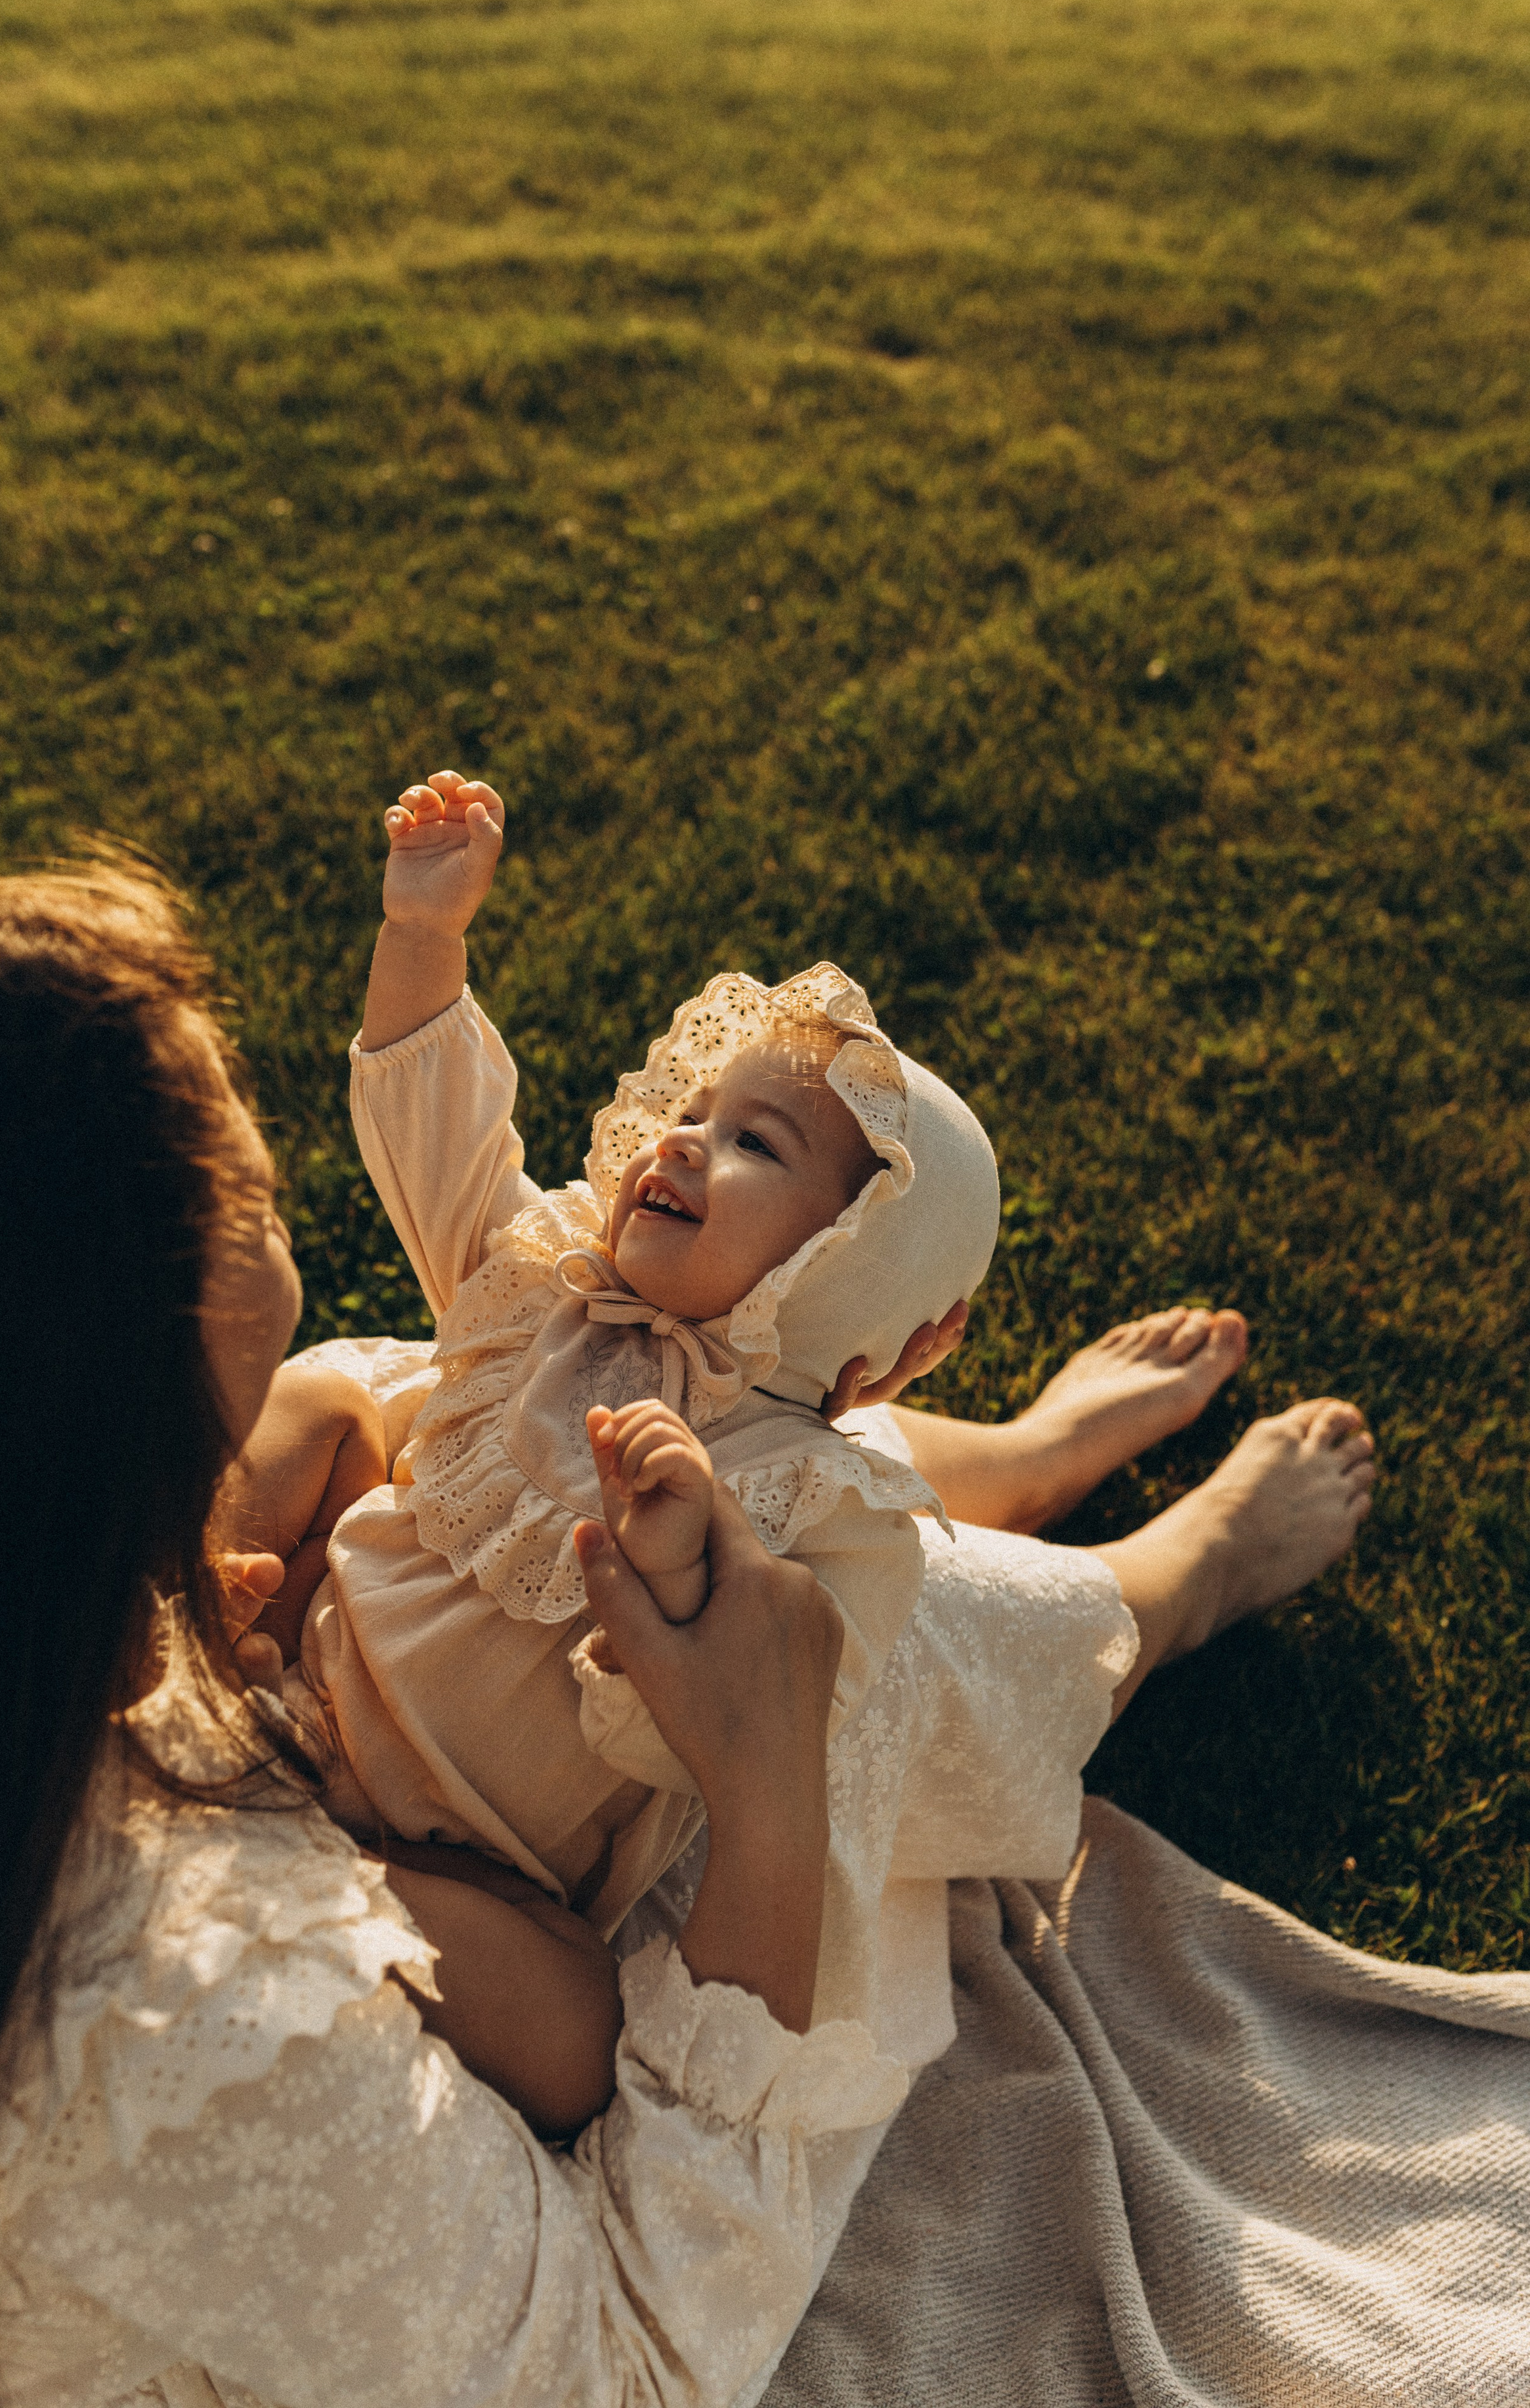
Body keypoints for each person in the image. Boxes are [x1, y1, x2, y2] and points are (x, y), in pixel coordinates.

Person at [0, 861, 912, 2408]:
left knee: (510, 1414)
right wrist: (766, 1805)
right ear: (106, 1394)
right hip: (439, 1814)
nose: (263, 1158)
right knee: (891, 1618)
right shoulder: (190, 2037)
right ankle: (1135, 1585)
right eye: (245, 1184)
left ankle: (1020, 1484)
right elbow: (625, 2370)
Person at [215, 769, 1376, 2133]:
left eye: (752, 1142)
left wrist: (667, 1583)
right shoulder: (543, 1285)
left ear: (860, 1298)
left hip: (445, 1861)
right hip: (292, 1669)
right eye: (694, 1114)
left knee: (568, 2027)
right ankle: (178, 1594)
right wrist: (424, 934)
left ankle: (1147, 1550)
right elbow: (440, 1144)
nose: (684, 1143)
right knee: (314, 1408)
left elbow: (751, 1737)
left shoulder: (822, 1509)